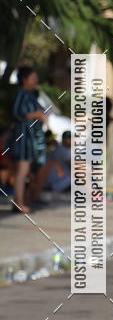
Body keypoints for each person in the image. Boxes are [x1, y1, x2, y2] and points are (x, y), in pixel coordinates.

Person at [5, 66, 47, 213]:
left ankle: (19, 201)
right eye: (33, 77)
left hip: (30, 138)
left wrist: (40, 115)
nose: (35, 80)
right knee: (22, 171)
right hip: (23, 137)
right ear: (24, 79)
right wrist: (36, 114)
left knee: (24, 171)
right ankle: (19, 203)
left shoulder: (30, 94)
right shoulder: (22, 93)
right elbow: (17, 113)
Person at [32, 130, 72, 199]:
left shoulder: (58, 148)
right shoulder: (62, 149)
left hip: (53, 180)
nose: (71, 140)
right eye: (69, 138)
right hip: (56, 182)